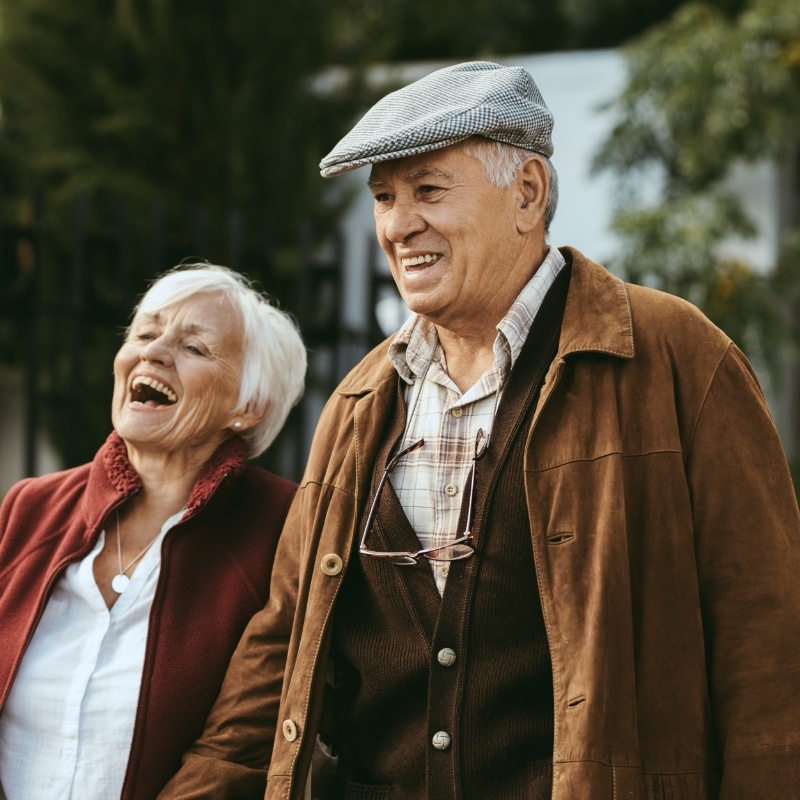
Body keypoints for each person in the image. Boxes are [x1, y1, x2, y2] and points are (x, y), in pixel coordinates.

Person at [160, 62, 800, 800]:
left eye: (429, 191)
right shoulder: (361, 402)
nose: (399, 225)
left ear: (527, 193)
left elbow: (769, 652)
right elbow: (282, 653)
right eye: (384, 199)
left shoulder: (677, 356)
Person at [0, 262, 307, 800]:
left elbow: (244, 745)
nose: (154, 352)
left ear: (247, 407)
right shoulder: (29, 508)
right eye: (145, 332)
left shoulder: (284, 526)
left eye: (195, 348)